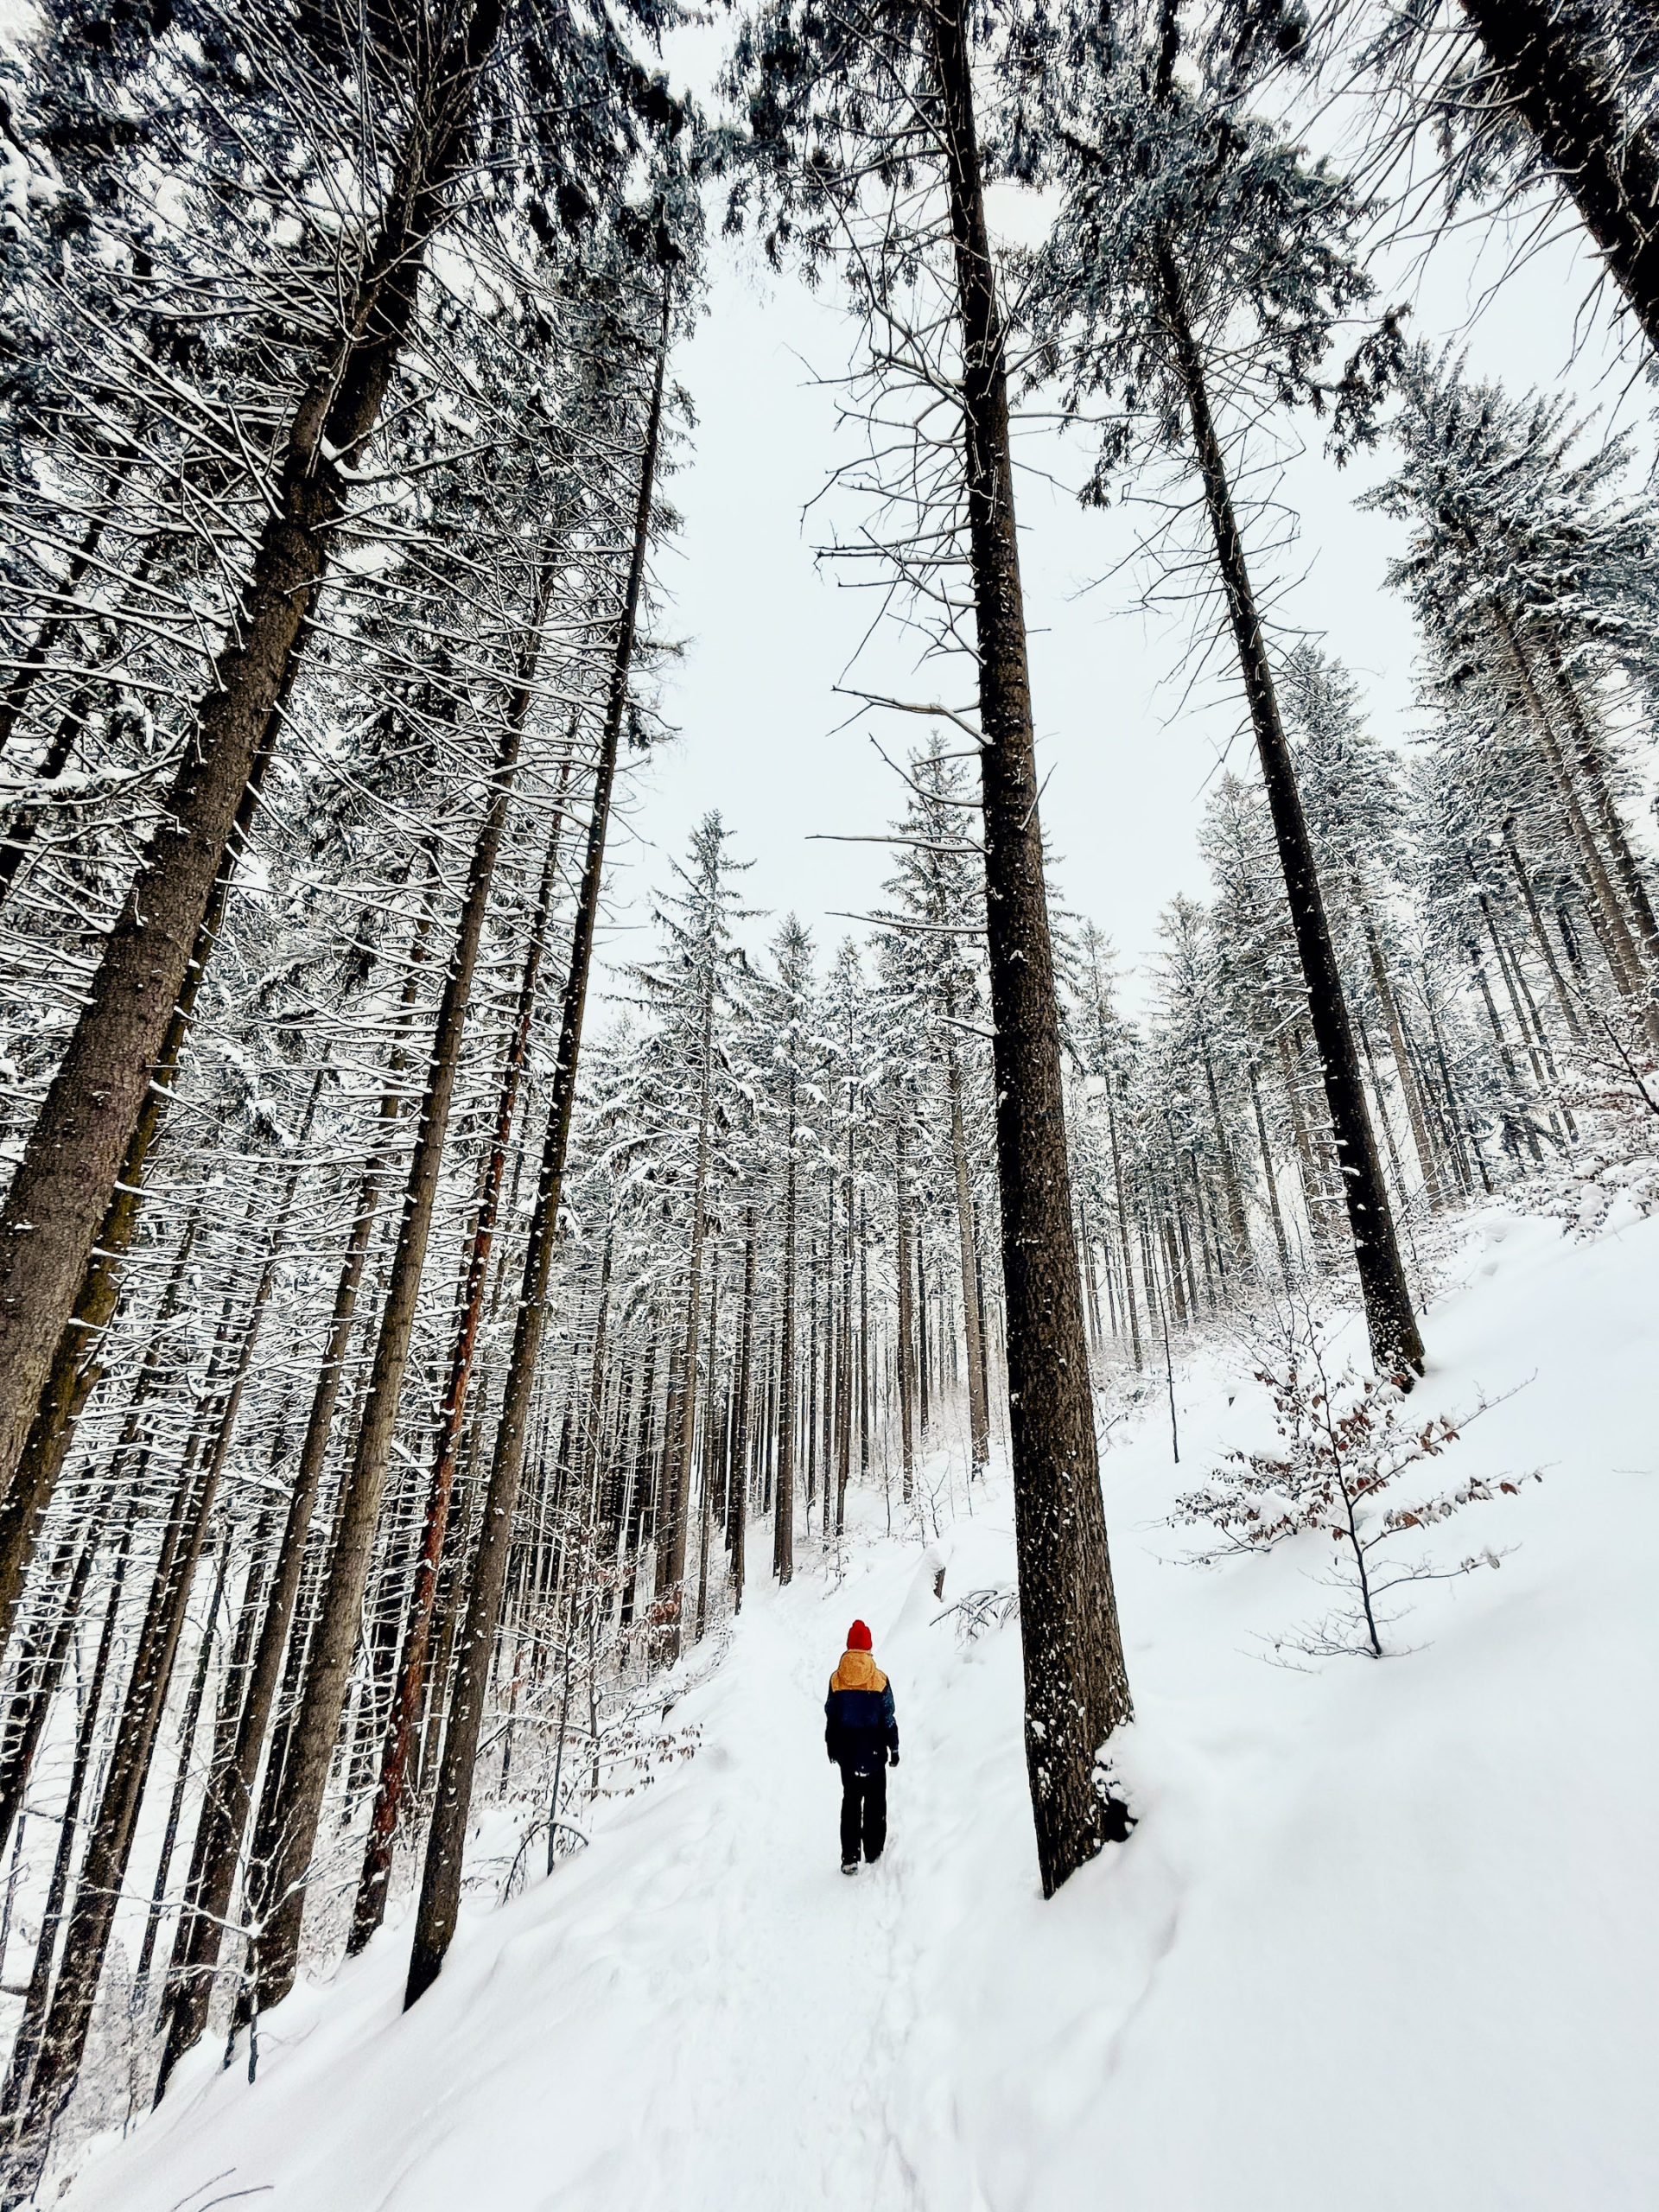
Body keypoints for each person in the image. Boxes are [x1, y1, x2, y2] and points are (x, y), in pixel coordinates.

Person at [824, 1619, 899, 1875]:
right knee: (876, 1800)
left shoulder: (836, 1679)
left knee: (851, 1800)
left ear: (849, 1646)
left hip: (848, 1751)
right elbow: (888, 1716)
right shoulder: (879, 1679)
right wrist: (895, 1747)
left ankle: (850, 1856)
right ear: (868, 1646)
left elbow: (831, 1715)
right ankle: (874, 1850)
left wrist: (831, 1745)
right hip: (875, 1749)